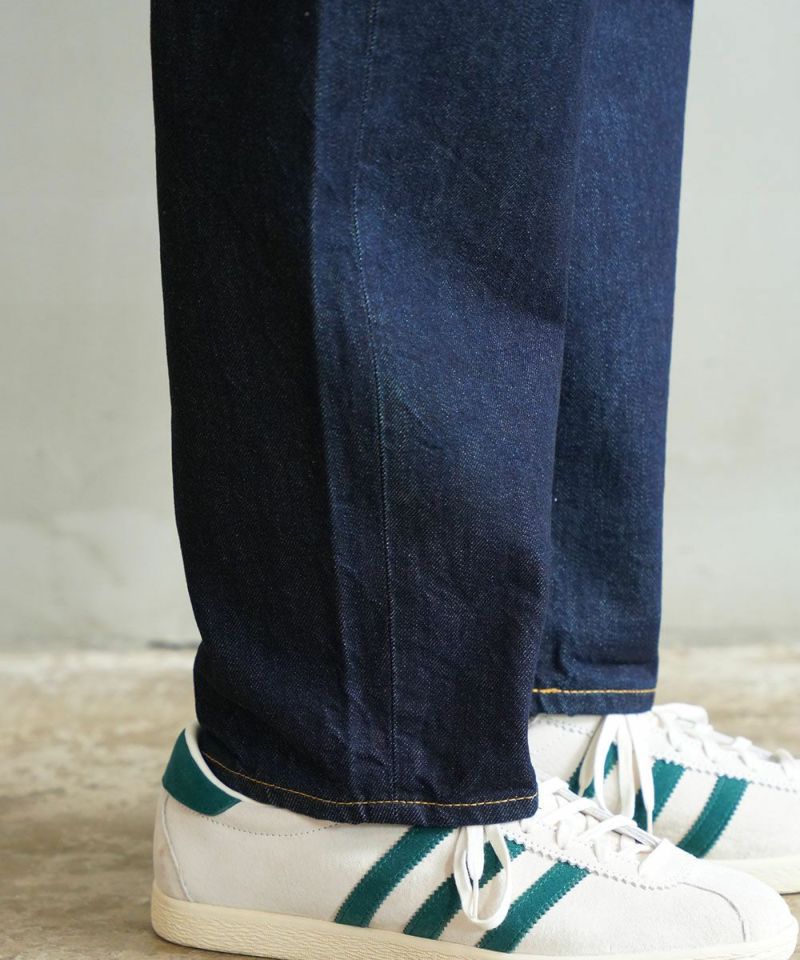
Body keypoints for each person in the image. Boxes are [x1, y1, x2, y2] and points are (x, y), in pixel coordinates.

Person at [148, 1, 800, 957]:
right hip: (338, 767)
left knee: (577, 43)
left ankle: (540, 703)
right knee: (401, 39)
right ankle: (339, 779)